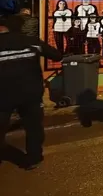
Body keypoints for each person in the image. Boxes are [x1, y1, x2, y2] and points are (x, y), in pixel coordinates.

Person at [0, 15, 62, 170]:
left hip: (4, 94)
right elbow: (57, 55)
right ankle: (34, 158)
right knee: (33, 126)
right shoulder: (31, 42)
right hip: (31, 93)